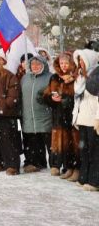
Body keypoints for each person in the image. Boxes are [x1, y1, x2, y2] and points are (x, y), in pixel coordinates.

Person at [44, 51, 79, 179]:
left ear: (71, 64)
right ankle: (57, 165)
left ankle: (72, 167)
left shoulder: (75, 77)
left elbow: (78, 96)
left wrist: (64, 99)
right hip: (58, 115)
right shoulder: (54, 77)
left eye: (66, 63)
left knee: (73, 142)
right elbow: (46, 94)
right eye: (61, 63)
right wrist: (51, 98)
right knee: (58, 142)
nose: (64, 65)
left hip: (72, 114)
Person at [19, 54, 53, 173]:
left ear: (44, 65)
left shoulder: (50, 77)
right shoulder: (25, 78)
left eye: (38, 64)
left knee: (49, 142)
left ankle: (54, 165)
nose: (35, 66)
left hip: (45, 116)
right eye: (33, 64)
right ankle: (35, 163)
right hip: (28, 115)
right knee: (32, 141)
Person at [72, 49, 99, 189]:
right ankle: (84, 177)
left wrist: (98, 119)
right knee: (84, 150)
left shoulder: (96, 76)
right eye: (79, 61)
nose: (80, 63)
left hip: (93, 120)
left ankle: (95, 181)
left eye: (83, 60)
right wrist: (75, 117)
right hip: (82, 119)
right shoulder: (81, 77)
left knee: (95, 151)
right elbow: (78, 100)